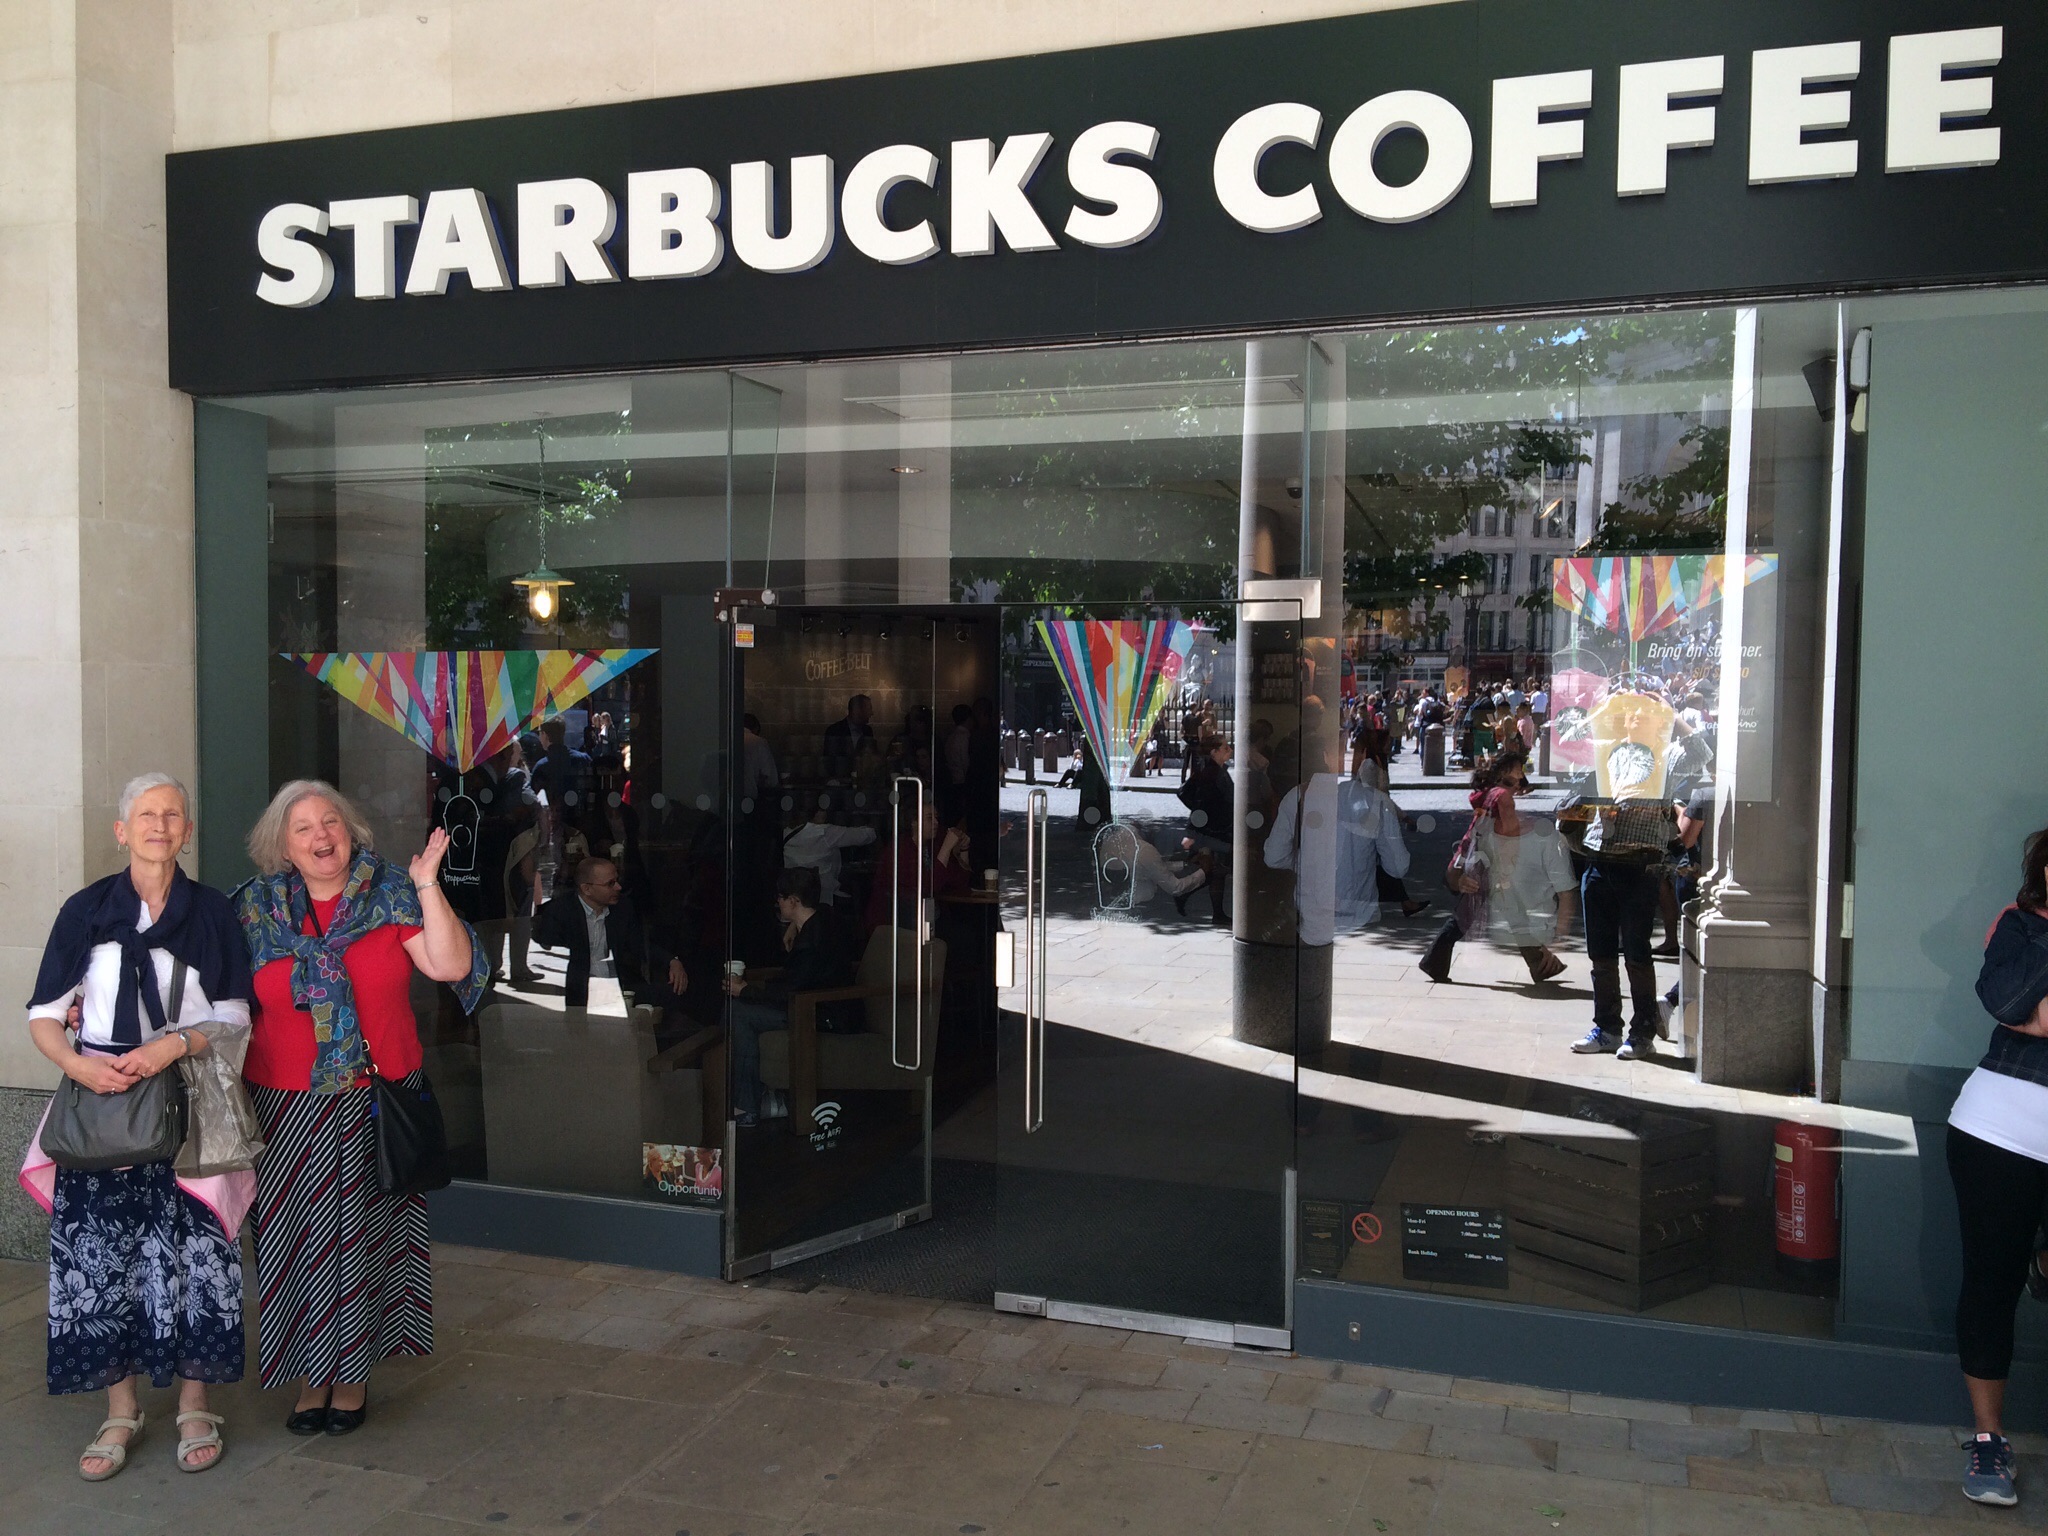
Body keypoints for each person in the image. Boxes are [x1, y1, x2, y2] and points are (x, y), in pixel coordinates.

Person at [236, 780, 487, 1436]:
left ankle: (350, 1379)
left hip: (374, 1101)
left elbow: (450, 965)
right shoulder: (254, 908)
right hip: (283, 1106)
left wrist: (428, 883)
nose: (321, 836)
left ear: (350, 831)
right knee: (293, 1244)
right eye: (303, 828)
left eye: (332, 823)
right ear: (282, 845)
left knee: (365, 1243)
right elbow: (211, 992)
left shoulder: (392, 892)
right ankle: (309, 1375)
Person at [21, 773, 253, 1479]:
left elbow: (236, 1014)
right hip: (103, 1102)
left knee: (197, 1256)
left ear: (187, 831)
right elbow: (44, 1013)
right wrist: (79, 1066)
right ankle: (120, 1408)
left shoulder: (210, 911)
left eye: (172, 814)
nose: (159, 825)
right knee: (100, 1258)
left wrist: (173, 1045)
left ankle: (194, 1404)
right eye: (146, 815)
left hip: (187, 1101)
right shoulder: (86, 909)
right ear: (122, 831)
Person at [1947, 825, 2048, 1506]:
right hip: (1997, 1132)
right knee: (1992, 1284)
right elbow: (2010, 1004)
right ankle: (1989, 1442)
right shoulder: (2019, 927)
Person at [1419, 749, 1567, 984]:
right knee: (1468, 917)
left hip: (1479, 862)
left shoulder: (1491, 793)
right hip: (1490, 866)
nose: (1521, 774)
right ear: (1506, 771)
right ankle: (1433, 961)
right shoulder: (1503, 797)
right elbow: (1508, 836)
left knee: (1508, 914)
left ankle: (1541, 965)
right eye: (1517, 769)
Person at [724, 868, 854, 1126]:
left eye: (782, 897)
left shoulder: (809, 945)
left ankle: (747, 1105)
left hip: (817, 1012)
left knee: (737, 1011)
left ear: (794, 901)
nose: (778, 902)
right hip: (820, 1003)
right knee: (738, 1007)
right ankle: (751, 1094)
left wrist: (746, 990)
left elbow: (791, 991)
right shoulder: (825, 917)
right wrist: (795, 924)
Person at [1564, 785, 1676, 1058]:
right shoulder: (1605, 763)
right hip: (1598, 858)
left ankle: (1642, 1034)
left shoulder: (1659, 764)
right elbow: (1574, 797)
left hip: (1639, 862)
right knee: (1600, 954)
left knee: (1637, 954)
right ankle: (1607, 1029)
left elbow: (1690, 762)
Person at [534, 855, 686, 1012]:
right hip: (577, 991)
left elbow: (639, 944)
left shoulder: (622, 907)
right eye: (610, 884)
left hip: (618, 986)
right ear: (587, 889)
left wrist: (672, 961)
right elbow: (552, 963)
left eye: (617, 880)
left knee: (671, 993)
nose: (618, 887)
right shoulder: (559, 912)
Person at [867, 798, 970, 933]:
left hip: (925, 919)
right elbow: (928, 887)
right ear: (914, 822)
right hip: (897, 926)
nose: (936, 822)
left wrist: (964, 849)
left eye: (936, 817)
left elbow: (960, 882)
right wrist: (946, 847)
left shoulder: (931, 846)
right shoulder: (900, 849)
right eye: (929, 818)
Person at [783, 804, 877, 910]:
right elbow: (864, 836)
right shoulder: (824, 832)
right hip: (822, 897)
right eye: (822, 809)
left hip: (794, 896)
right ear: (815, 813)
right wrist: (874, 823)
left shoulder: (787, 832)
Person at [821, 694, 874, 778]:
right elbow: (830, 761)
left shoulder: (868, 731)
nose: (872, 713)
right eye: (869, 709)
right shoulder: (835, 731)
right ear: (857, 710)